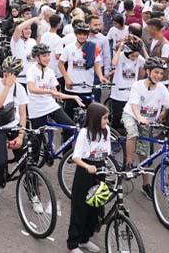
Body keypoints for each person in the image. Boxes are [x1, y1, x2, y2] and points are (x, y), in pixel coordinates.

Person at [122, 57, 169, 199]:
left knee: (144, 152)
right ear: (148, 71)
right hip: (132, 116)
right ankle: (129, 162)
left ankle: (146, 185)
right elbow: (134, 105)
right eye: (156, 72)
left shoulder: (162, 88)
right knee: (133, 133)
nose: (159, 76)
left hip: (148, 121)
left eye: (161, 73)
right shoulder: (138, 85)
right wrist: (139, 117)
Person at [0, 56, 28, 216]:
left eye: (12, 73)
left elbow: (23, 114)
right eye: (6, 71)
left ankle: (33, 195)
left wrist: (21, 136)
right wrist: (7, 87)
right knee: (0, 162)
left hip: (13, 126)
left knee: (27, 161)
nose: (7, 75)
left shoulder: (21, 89)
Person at [67, 102, 110, 253]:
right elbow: (76, 157)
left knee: (95, 207)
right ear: (95, 118)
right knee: (80, 208)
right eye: (105, 118)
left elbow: (106, 152)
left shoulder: (106, 131)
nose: (107, 121)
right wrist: (87, 166)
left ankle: (85, 239)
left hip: (100, 170)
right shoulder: (84, 134)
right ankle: (73, 244)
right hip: (85, 172)